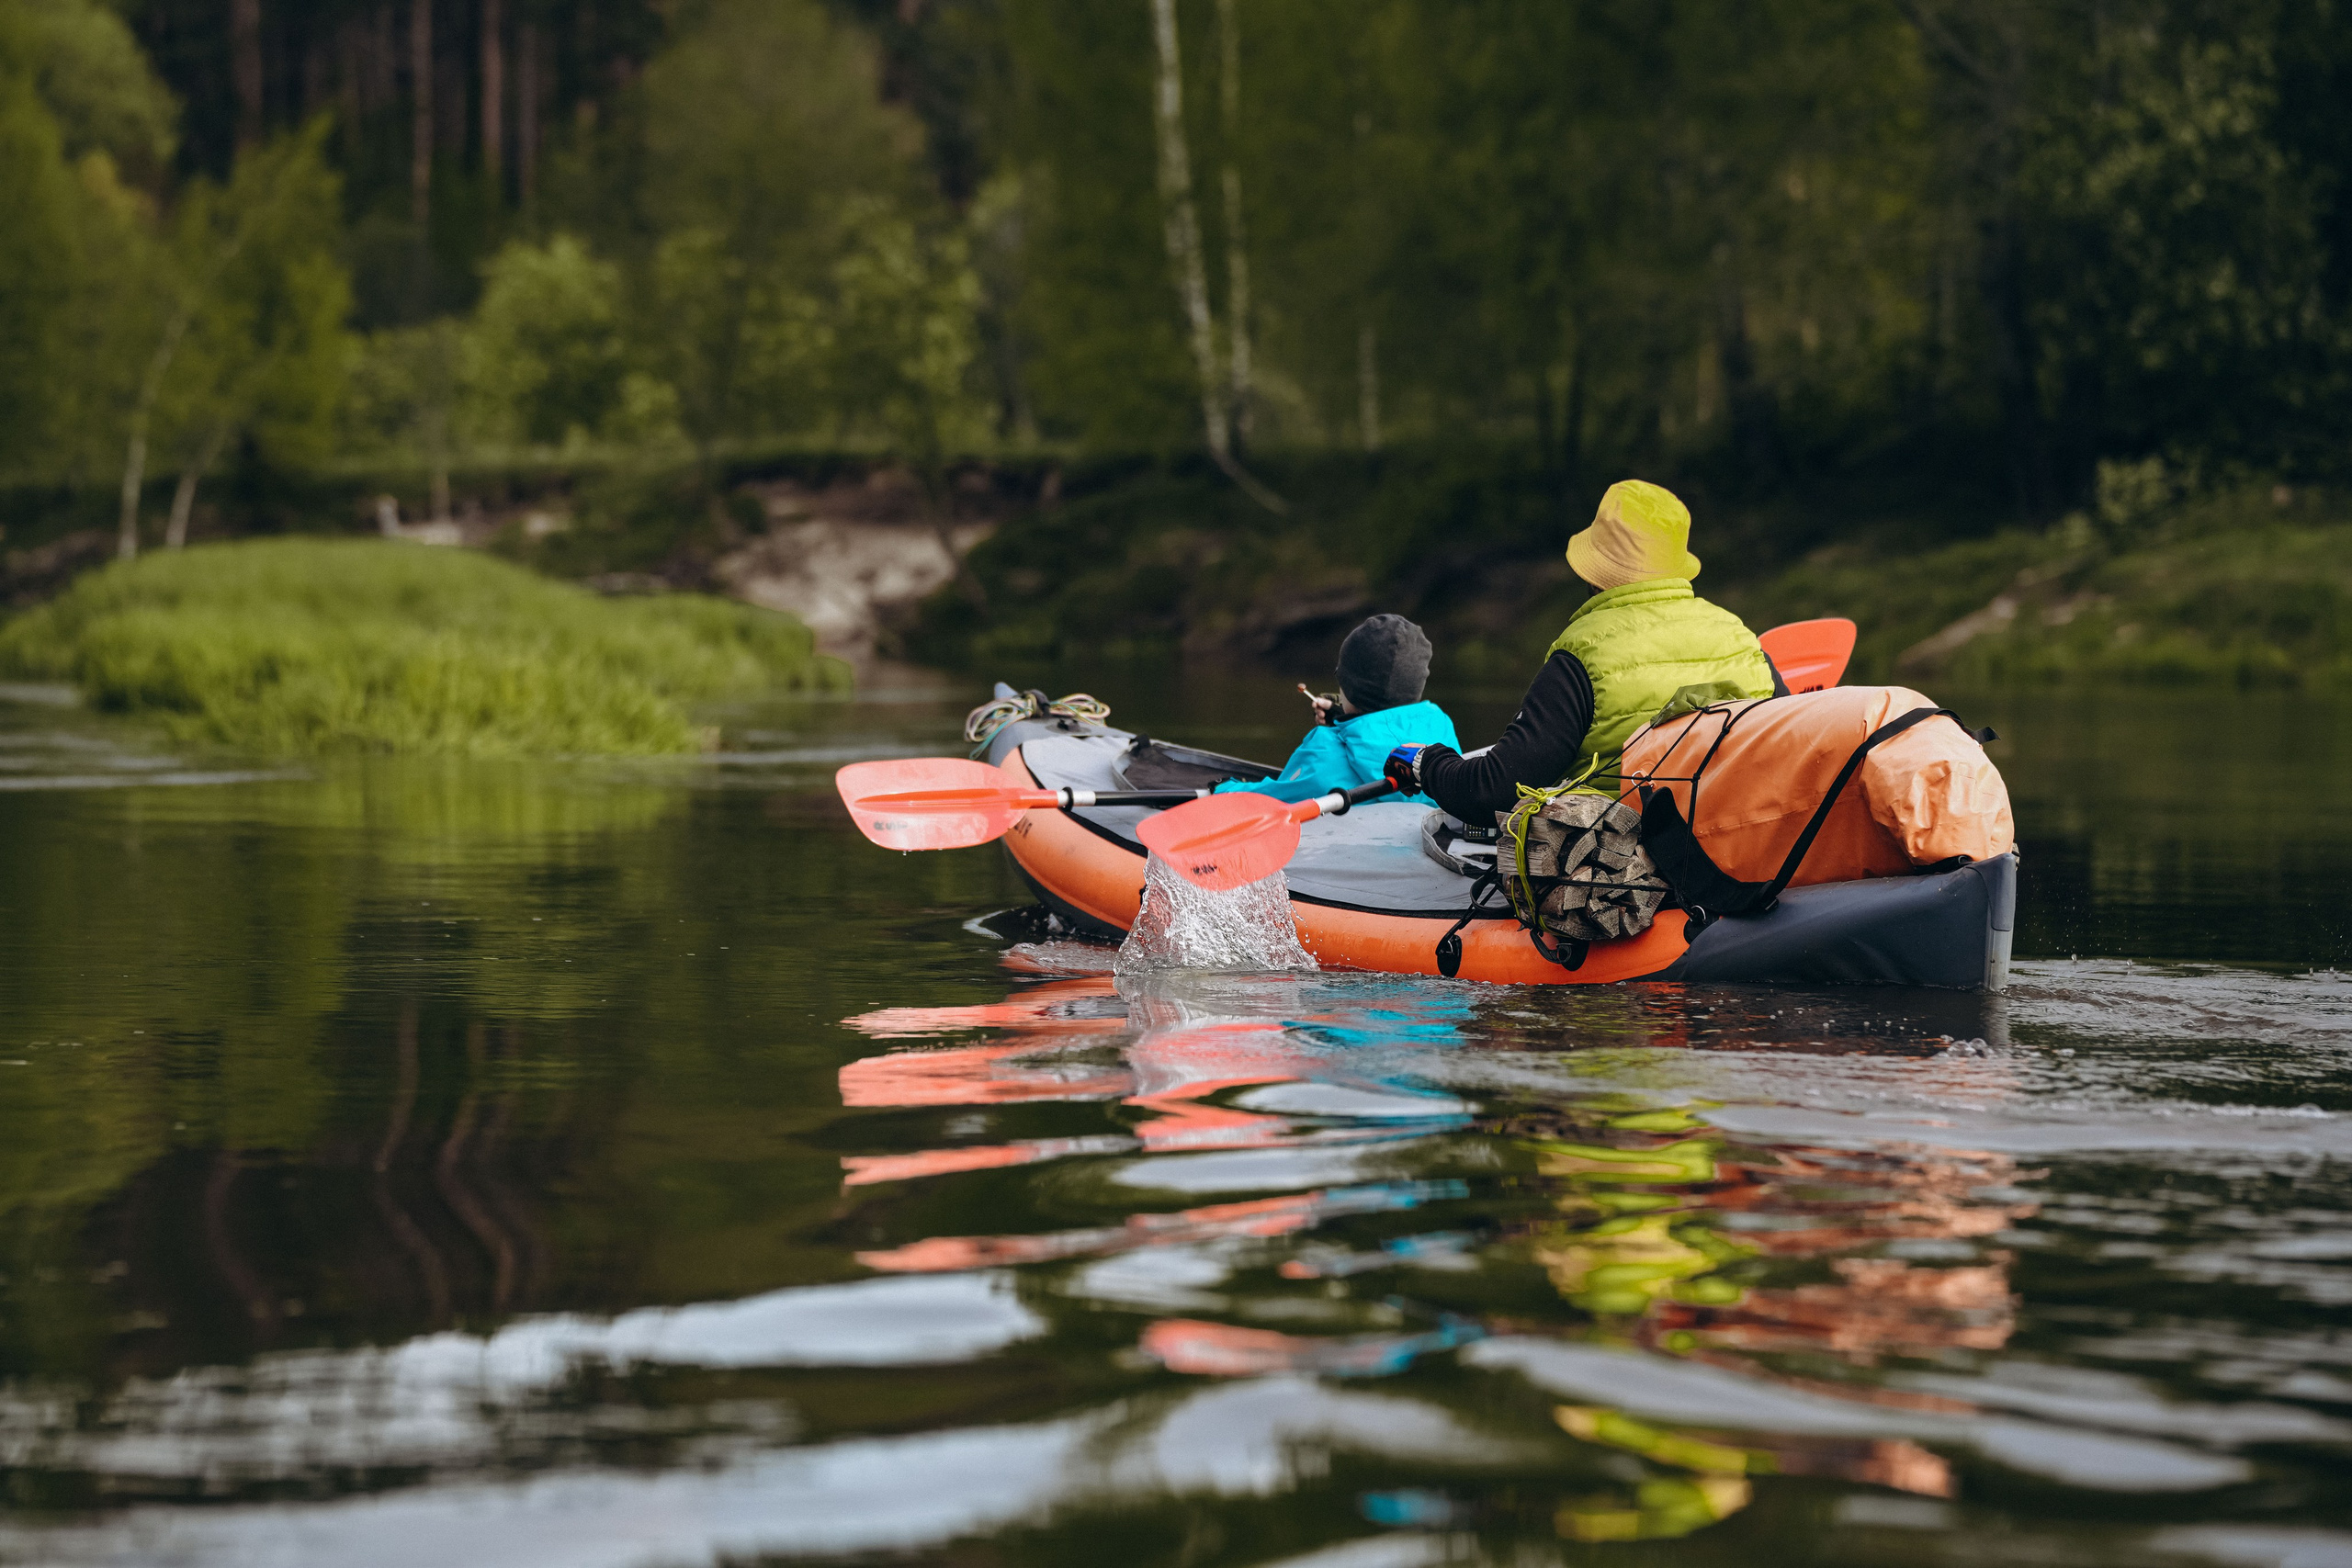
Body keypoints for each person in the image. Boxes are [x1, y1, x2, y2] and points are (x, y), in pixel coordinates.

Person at [1382, 479, 1780, 822]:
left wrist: (1425, 763)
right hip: (1737, 857)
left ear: (1593, 572)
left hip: (1625, 870)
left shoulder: (1582, 656)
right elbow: (1787, 754)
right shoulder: (1743, 639)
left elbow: (1492, 791)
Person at [1219, 614, 1462, 807]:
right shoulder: (1441, 730)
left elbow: (1271, 801)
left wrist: (1222, 788)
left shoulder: (1322, 752)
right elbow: (1390, 731)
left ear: (1349, 685)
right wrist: (1347, 719)